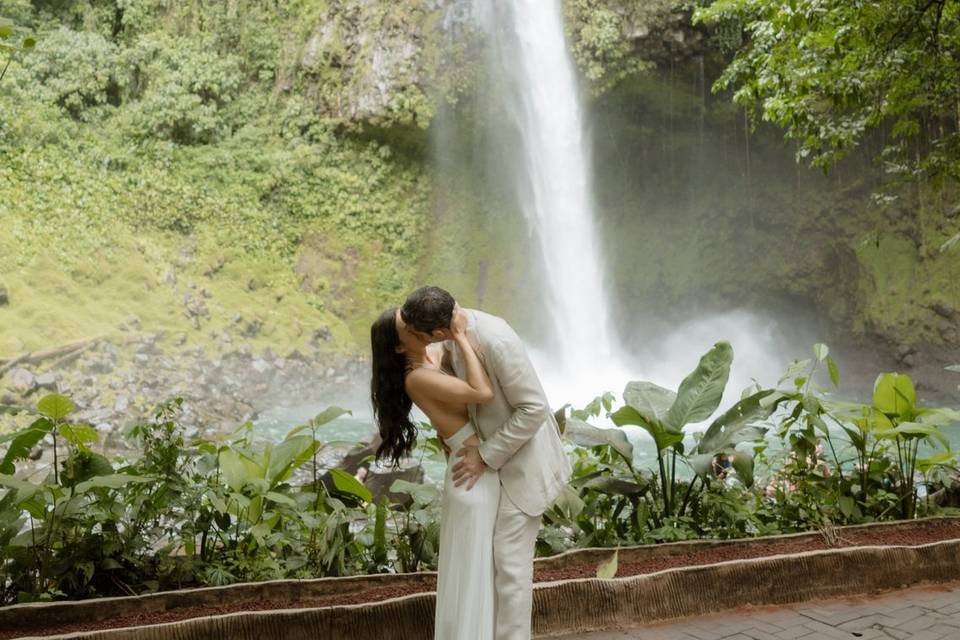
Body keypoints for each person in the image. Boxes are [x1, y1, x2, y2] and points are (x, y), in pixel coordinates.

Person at [399, 286, 572, 640]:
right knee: (490, 567)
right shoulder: (452, 335)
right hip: (493, 471)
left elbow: (535, 408)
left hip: (522, 467)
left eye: (420, 337)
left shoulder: (495, 340)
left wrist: (484, 454)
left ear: (438, 332)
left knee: (509, 569)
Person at [370, 304, 499, 640]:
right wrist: (458, 333)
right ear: (400, 347)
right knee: (472, 576)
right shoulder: (416, 378)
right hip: (472, 476)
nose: (417, 327)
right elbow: (481, 394)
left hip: (473, 467)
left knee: (479, 573)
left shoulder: (431, 357)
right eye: (408, 328)